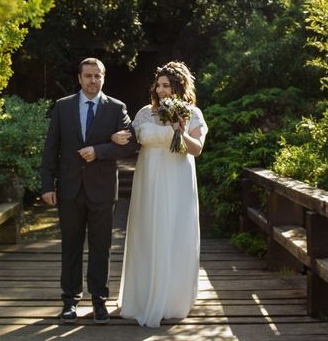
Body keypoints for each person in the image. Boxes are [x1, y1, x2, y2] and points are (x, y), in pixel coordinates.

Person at [40, 57, 137, 324]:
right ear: (80, 78)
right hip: (69, 188)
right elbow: (51, 149)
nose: (93, 81)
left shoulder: (117, 108)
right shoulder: (63, 107)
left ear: (103, 78)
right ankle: (70, 301)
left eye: (98, 76)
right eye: (88, 76)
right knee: (70, 246)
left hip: (103, 190)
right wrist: (48, 185)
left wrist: (101, 149)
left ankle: (99, 301)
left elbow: (130, 145)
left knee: (101, 247)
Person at [112, 61, 208, 327]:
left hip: (177, 178)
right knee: (148, 231)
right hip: (148, 179)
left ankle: (172, 299)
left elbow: (197, 149)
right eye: (159, 84)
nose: (161, 89)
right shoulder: (144, 112)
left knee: (174, 231)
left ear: (178, 87)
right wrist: (116, 138)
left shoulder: (192, 113)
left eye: (167, 85)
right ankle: (142, 296)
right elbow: (131, 139)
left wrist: (179, 129)